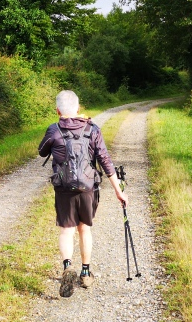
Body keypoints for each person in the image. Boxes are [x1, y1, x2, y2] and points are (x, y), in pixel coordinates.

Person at [38, 90, 128, 297]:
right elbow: (105, 160)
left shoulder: (54, 130)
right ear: (78, 109)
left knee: (66, 230)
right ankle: (85, 273)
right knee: (84, 229)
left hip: (64, 188)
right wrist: (118, 190)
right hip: (88, 188)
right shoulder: (92, 129)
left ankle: (67, 266)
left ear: (58, 110)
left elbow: (42, 151)